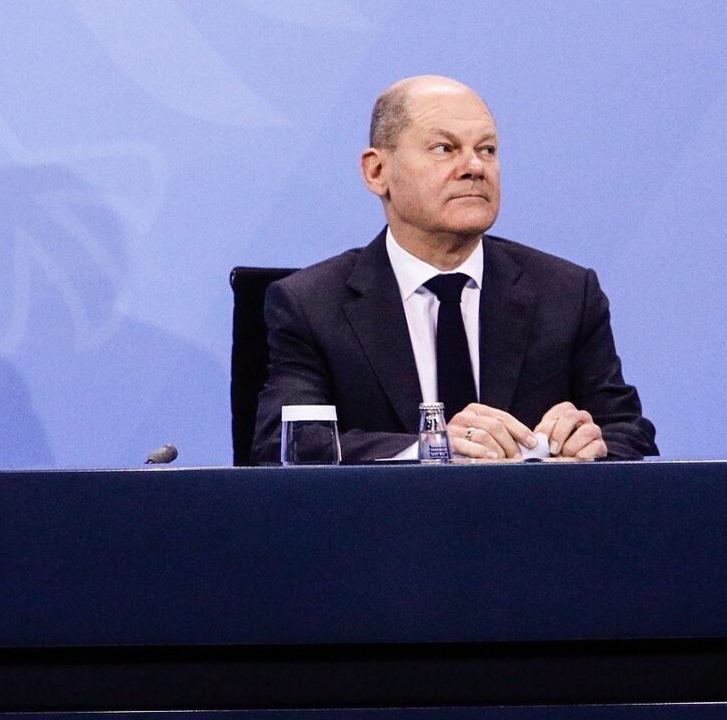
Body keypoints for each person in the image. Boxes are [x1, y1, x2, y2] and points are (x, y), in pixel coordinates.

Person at [253, 75, 656, 464]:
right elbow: (284, 444)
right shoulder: (311, 304)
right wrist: (433, 448)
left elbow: (630, 435)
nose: (474, 167)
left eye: (487, 150)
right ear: (377, 171)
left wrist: (592, 446)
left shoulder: (566, 294)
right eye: (445, 148)